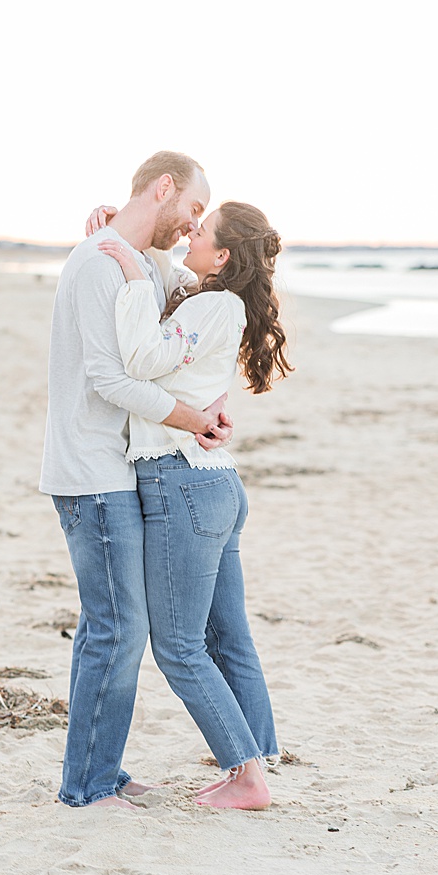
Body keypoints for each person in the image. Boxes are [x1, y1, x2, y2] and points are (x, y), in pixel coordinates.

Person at [39, 151, 234, 810]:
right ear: (164, 186)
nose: (195, 224)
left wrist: (119, 224)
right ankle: (88, 786)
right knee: (116, 630)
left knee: (114, 628)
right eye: (194, 208)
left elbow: (187, 304)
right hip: (92, 472)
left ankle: (99, 769)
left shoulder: (137, 259)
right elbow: (111, 379)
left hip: (111, 468)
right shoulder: (100, 262)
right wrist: (194, 420)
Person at [96, 199, 291, 810]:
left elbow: (142, 360)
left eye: (200, 232)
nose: (190, 235)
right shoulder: (214, 299)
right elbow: (172, 271)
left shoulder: (213, 304)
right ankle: (254, 761)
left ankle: (248, 777)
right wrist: (129, 231)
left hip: (181, 482)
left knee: (179, 647)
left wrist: (131, 277)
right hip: (211, 484)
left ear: (223, 255)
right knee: (227, 635)